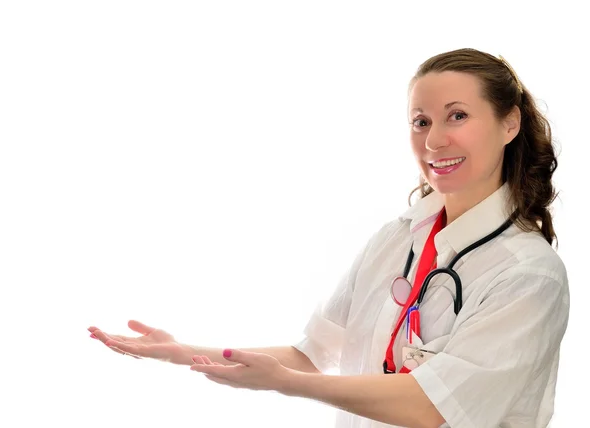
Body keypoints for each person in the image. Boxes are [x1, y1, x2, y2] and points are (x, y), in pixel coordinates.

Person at [88, 48, 569, 428]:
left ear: (510, 123)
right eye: (420, 121)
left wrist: (289, 385)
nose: (433, 141)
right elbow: (310, 355)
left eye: (457, 116)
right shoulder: (395, 239)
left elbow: (430, 406)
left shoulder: (528, 275)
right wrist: (185, 352)